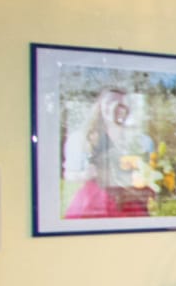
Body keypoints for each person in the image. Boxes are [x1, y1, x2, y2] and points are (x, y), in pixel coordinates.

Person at [63, 88, 154, 218]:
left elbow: (150, 175)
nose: (114, 107)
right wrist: (85, 174)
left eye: (120, 103)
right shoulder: (82, 138)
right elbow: (68, 175)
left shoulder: (142, 141)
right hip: (93, 205)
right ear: (99, 106)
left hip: (130, 204)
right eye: (109, 102)